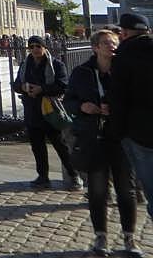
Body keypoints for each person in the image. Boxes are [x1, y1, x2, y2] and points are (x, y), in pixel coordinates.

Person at [65, 30, 141, 257]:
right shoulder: (82, 73)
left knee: (126, 191)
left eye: (115, 43)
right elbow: (69, 100)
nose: (112, 46)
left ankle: (129, 238)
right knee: (97, 191)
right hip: (94, 138)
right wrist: (82, 107)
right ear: (96, 47)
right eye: (107, 43)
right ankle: (101, 237)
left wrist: (117, 109)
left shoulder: (125, 71)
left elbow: (139, 101)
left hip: (121, 138)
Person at [13, 34, 82, 190]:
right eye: (32, 47)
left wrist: (42, 89)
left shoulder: (56, 65)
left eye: (38, 46)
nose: (35, 50)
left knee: (61, 146)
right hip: (32, 110)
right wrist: (23, 88)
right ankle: (43, 176)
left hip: (51, 111)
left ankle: (73, 175)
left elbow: (63, 85)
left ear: (44, 47)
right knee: (37, 147)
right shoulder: (25, 64)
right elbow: (16, 84)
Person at [109, 12, 153, 222]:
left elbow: (118, 99)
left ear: (124, 33)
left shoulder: (124, 57)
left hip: (140, 133)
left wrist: (116, 132)